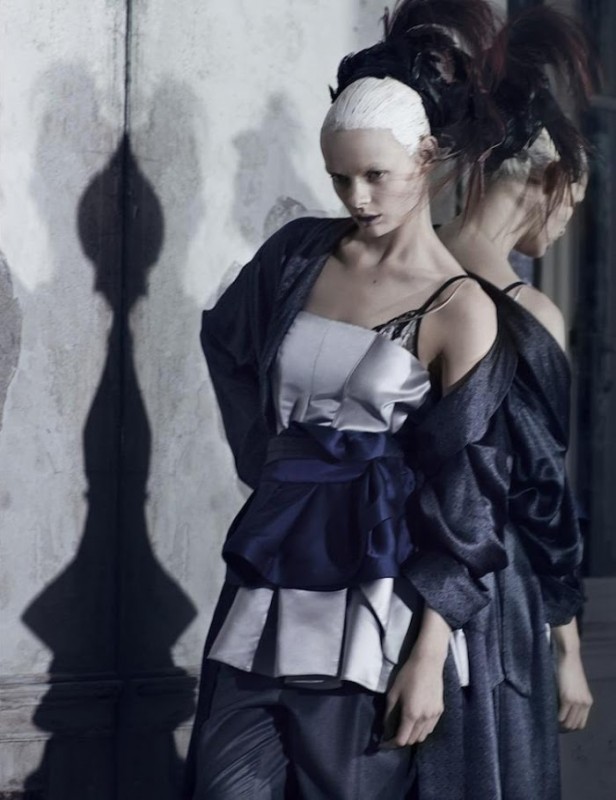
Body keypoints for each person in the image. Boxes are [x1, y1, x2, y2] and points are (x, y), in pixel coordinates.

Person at [183, 2, 534, 797]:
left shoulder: (460, 309)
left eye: (376, 174)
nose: (357, 196)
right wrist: (270, 461)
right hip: (271, 569)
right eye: (340, 176)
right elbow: (227, 346)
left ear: (427, 156)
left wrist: (429, 655)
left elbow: (472, 496)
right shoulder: (297, 255)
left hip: (379, 592)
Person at [437, 0, 595, 753]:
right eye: (573, 205)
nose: (565, 227)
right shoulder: (528, 312)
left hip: (381, 576)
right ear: (550, 179)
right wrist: (569, 644)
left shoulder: (410, 270)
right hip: (493, 591)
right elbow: (539, 487)